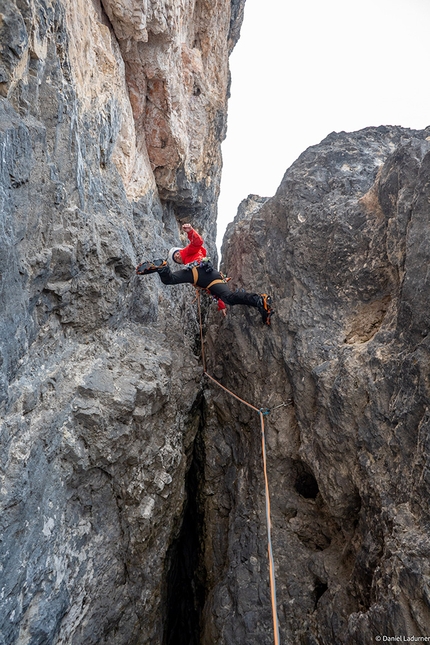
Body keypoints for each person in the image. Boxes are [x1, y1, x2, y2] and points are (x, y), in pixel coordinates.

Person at [136, 223, 274, 325]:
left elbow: (198, 242)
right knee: (229, 298)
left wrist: (190, 232)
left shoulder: (188, 251)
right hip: (212, 278)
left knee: (169, 279)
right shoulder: (188, 257)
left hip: (197, 271)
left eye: (176, 254)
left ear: (180, 250)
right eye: (175, 258)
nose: (177, 257)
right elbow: (214, 292)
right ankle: (259, 301)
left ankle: (162, 267)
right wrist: (221, 306)